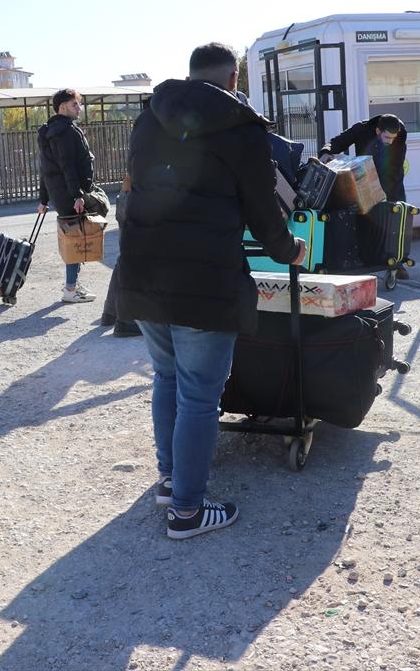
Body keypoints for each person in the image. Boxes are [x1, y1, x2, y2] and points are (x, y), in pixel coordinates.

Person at [116, 42, 309, 540]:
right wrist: (290, 250)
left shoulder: (148, 118)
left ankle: (171, 480)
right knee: (200, 396)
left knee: (167, 379)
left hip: (145, 271)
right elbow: (263, 210)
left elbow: (134, 187)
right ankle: (188, 509)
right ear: (233, 76)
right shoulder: (241, 127)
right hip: (204, 280)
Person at [318, 113, 409, 277]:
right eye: (387, 137)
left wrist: (384, 195)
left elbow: (394, 170)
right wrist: (326, 152)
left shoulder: (399, 137)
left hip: (390, 181)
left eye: (392, 138)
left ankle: (397, 262)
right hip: (363, 180)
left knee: (394, 218)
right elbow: (338, 141)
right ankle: (366, 259)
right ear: (377, 131)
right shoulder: (361, 128)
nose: (390, 141)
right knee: (363, 220)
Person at [38, 88, 98, 304]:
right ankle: (71, 289)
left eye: (79, 104)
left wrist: (43, 199)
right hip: (69, 195)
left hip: (60, 194)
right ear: (62, 107)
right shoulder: (65, 131)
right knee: (75, 237)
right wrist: (77, 196)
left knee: (75, 236)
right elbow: (67, 167)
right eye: (75, 104)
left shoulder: (49, 131)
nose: (79, 108)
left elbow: (45, 168)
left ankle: (73, 284)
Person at [99, 173, 141, 337]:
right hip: (141, 197)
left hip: (127, 195)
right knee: (138, 259)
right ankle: (126, 320)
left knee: (125, 257)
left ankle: (110, 312)